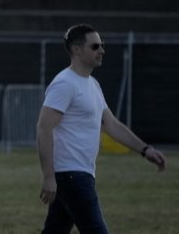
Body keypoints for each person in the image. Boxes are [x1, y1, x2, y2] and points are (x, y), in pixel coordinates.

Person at [37, 24, 167, 234]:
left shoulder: (92, 85)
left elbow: (111, 124)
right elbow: (44, 128)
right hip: (71, 175)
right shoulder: (64, 84)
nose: (102, 51)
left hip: (80, 174)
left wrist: (145, 150)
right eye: (95, 46)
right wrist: (48, 176)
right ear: (76, 49)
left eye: (102, 45)